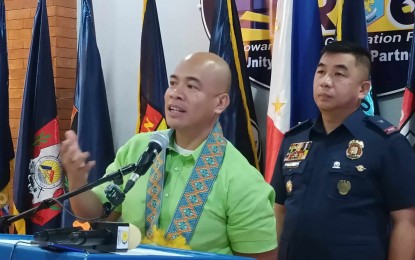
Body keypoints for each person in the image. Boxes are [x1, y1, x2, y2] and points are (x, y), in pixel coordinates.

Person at [61, 52, 277, 259]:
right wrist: (77, 180)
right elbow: (97, 213)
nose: (175, 92)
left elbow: (258, 258)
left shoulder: (242, 179)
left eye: (191, 86)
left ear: (220, 103)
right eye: (173, 83)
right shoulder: (138, 148)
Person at [271, 41, 415, 260]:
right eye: (321, 72)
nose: (325, 82)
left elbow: (406, 221)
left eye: (339, 74)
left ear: (363, 89)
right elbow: (279, 210)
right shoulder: (295, 139)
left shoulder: (386, 144)